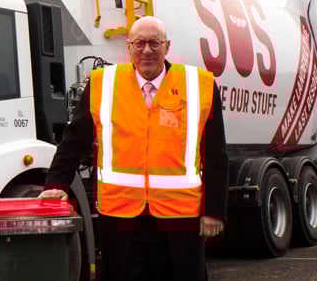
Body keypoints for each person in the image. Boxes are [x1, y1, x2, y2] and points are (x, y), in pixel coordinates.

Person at [40, 16, 228, 281]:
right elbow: (73, 141)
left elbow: (215, 153)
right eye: (139, 43)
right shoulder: (103, 84)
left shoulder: (199, 85)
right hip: (120, 217)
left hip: (180, 217)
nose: (147, 50)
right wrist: (56, 183)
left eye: (154, 43)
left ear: (167, 46)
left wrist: (214, 211)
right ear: (128, 47)